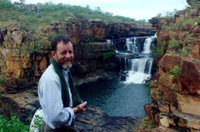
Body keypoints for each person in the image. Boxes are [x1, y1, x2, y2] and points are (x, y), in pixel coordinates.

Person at [35, 34, 87, 132]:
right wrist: (76, 110)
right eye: (63, 52)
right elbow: (56, 117)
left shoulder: (63, 71)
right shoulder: (51, 79)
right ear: (53, 54)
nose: (68, 56)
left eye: (70, 52)